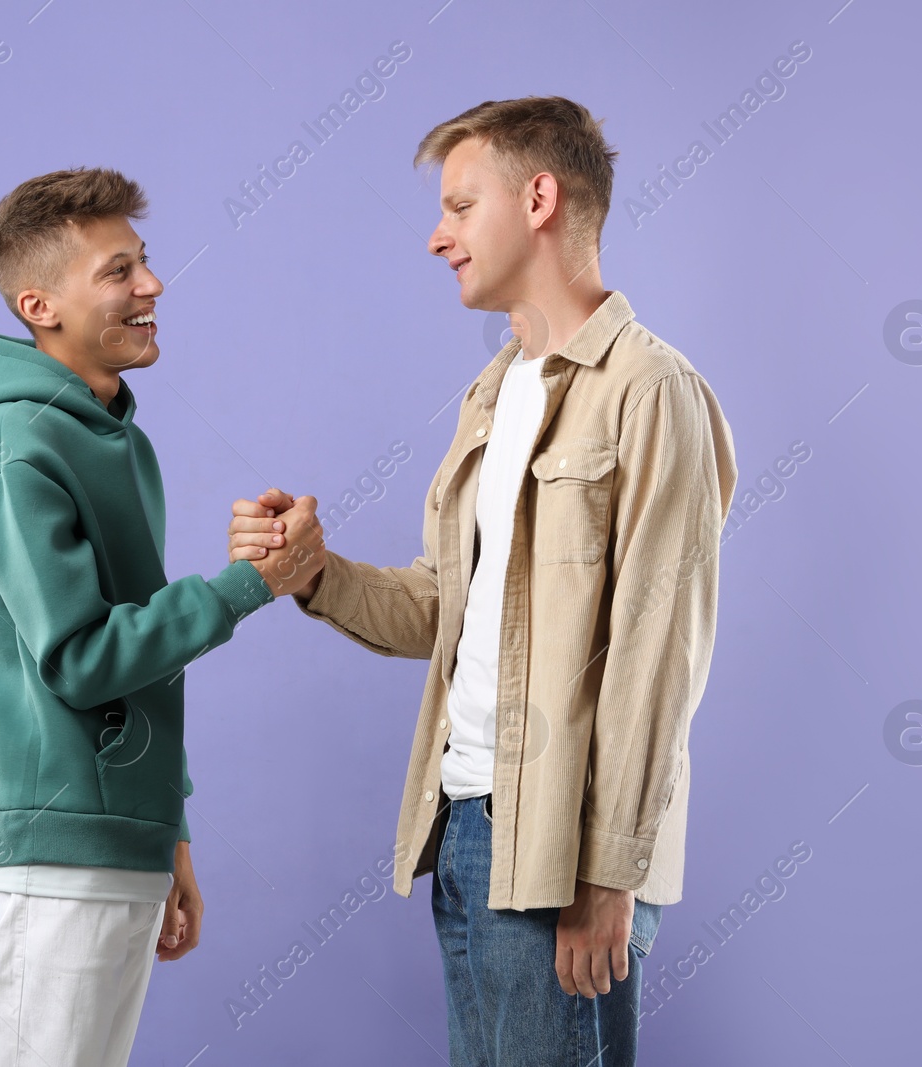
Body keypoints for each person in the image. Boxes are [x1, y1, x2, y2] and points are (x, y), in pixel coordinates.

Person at [228, 97, 738, 1066]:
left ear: (538, 197)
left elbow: (656, 649)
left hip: (563, 859)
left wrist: (609, 873)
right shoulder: (494, 392)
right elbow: (447, 603)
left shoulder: (650, 388)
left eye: (460, 206)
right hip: (466, 832)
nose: (437, 235)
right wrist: (314, 573)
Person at [0, 166, 325, 1066]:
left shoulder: (110, 436)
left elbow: (131, 650)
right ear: (41, 304)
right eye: (119, 271)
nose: (151, 286)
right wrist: (247, 585)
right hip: (47, 856)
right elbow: (78, 657)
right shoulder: (9, 443)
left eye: (143, 263)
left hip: (109, 849)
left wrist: (165, 830)